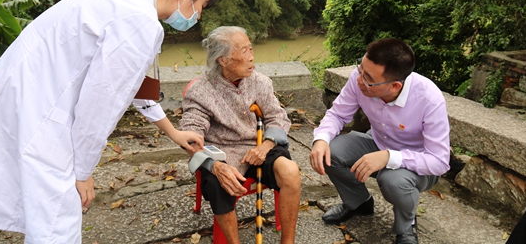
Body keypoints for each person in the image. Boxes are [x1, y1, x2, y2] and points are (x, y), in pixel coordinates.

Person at [0, 0, 220, 243]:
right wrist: (82, 172)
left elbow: (134, 87)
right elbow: (100, 106)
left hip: (27, 92)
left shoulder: (128, 0)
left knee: (46, 215)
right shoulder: (140, 22)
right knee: (57, 220)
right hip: (42, 106)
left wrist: (173, 133)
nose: (198, 16)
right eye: (201, 6)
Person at [309, 38, 450, 244]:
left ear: (394, 86)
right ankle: (359, 203)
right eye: (360, 69)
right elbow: (338, 114)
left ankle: (406, 227)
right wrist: (321, 139)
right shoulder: (360, 79)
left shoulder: (429, 99)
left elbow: (439, 162)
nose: (359, 79)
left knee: (393, 180)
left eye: (368, 78)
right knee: (330, 152)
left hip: (418, 161)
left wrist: (389, 158)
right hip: (376, 142)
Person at [180, 26, 301, 244]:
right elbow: (190, 136)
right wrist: (216, 166)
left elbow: (278, 117)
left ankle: (288, 241)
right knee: (218, 184)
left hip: (259, 145)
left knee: (290, 171)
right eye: (244, 51)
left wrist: (265, 146)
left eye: (251, 49)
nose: (252, 57)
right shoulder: (200, 90)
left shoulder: (260, 82)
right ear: (223, 60)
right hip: (221, 152)